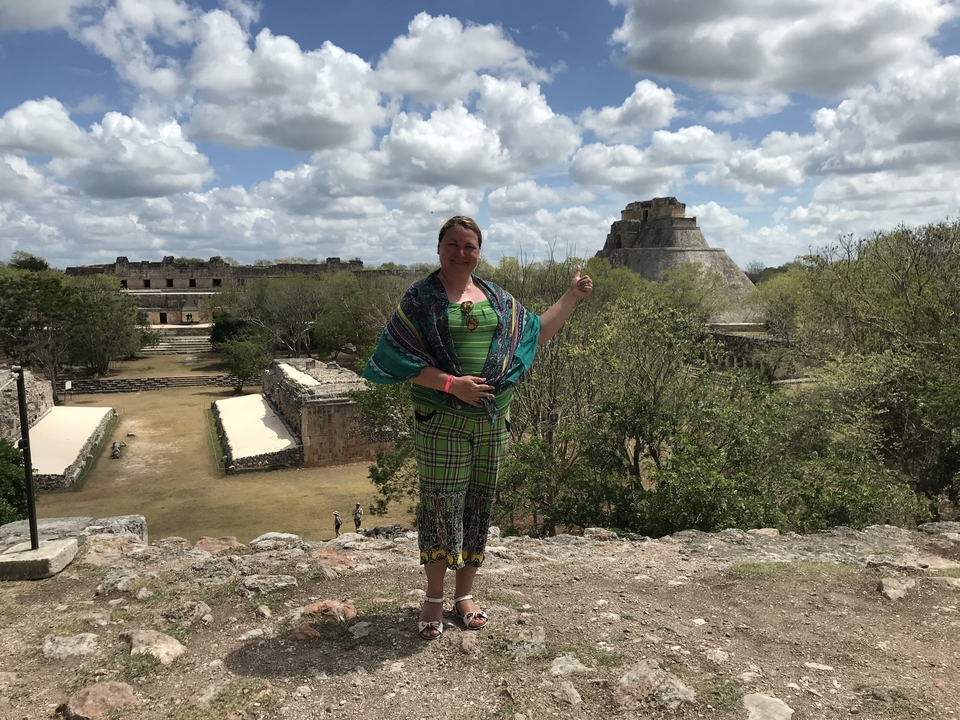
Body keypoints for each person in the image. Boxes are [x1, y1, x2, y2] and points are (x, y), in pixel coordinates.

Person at [362, 215, 593, 640]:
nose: (461, 252)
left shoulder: (497, 299)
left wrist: (571, 296)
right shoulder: (420, 299)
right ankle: (433, 597)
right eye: (453, 244)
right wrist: (453, 384)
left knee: (477, 505)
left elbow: (536, 333)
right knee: (440, 506)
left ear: (478, 252)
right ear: (438, 248)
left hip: (492, 420)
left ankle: (465, 595)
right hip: (441, 419)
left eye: (469, 246)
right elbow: (397, 358)